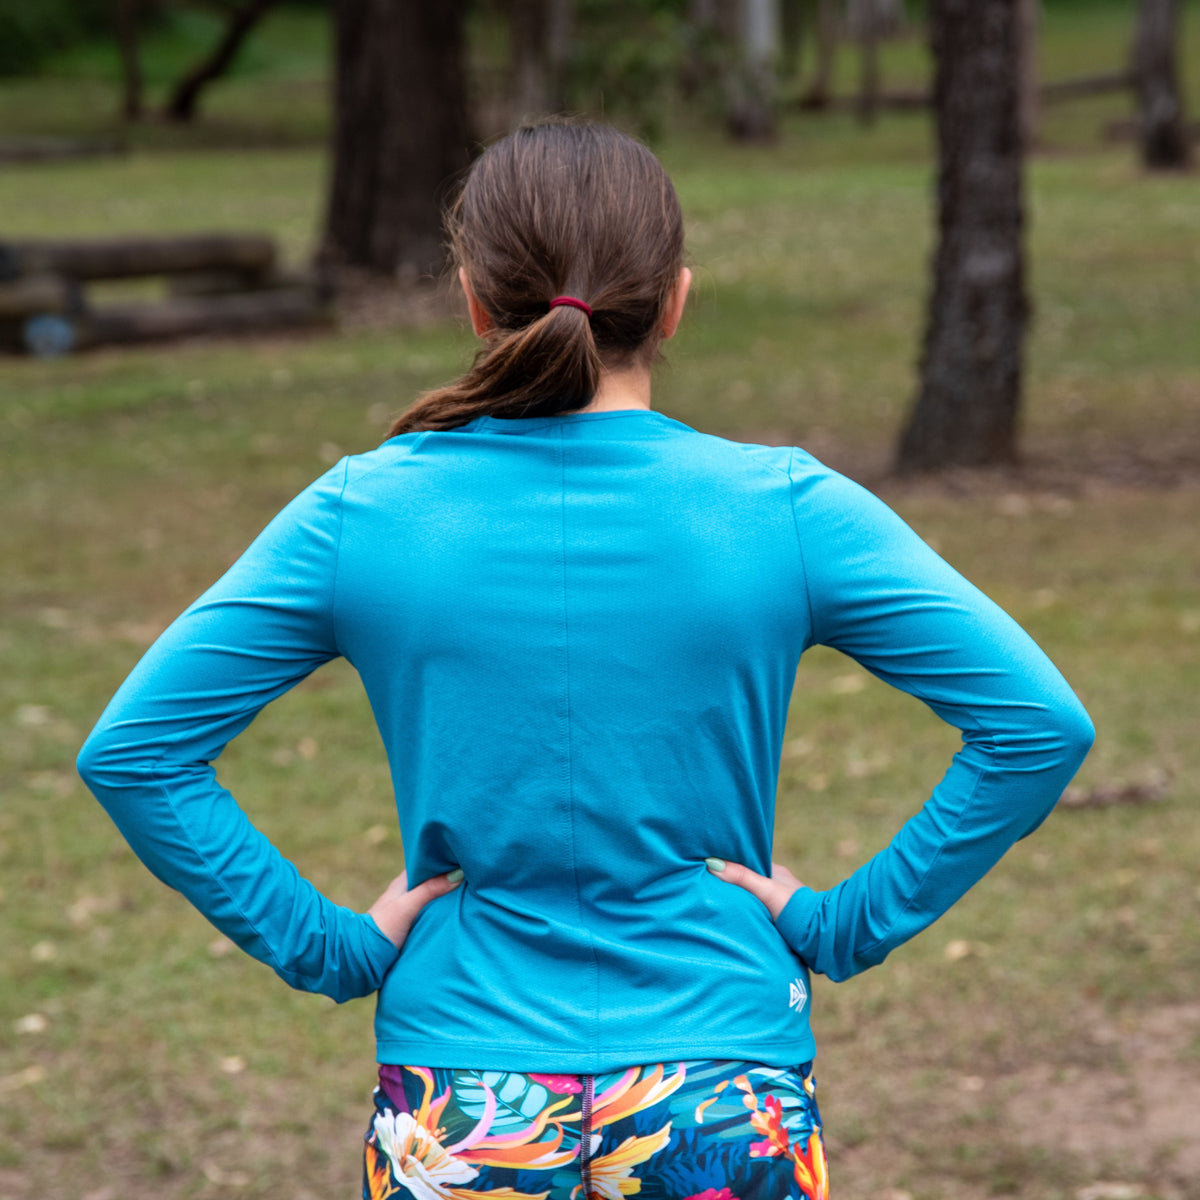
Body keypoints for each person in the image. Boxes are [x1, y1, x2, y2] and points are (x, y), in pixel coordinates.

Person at [77, 119, 1094, 1200]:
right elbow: (1037, 725)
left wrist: (327, 947)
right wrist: (842, 925)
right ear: (675, 302)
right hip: (723, 1092)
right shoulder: (784, 510)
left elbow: (136, 754)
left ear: (472, 300)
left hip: (461, 1108)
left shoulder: (364, 513)